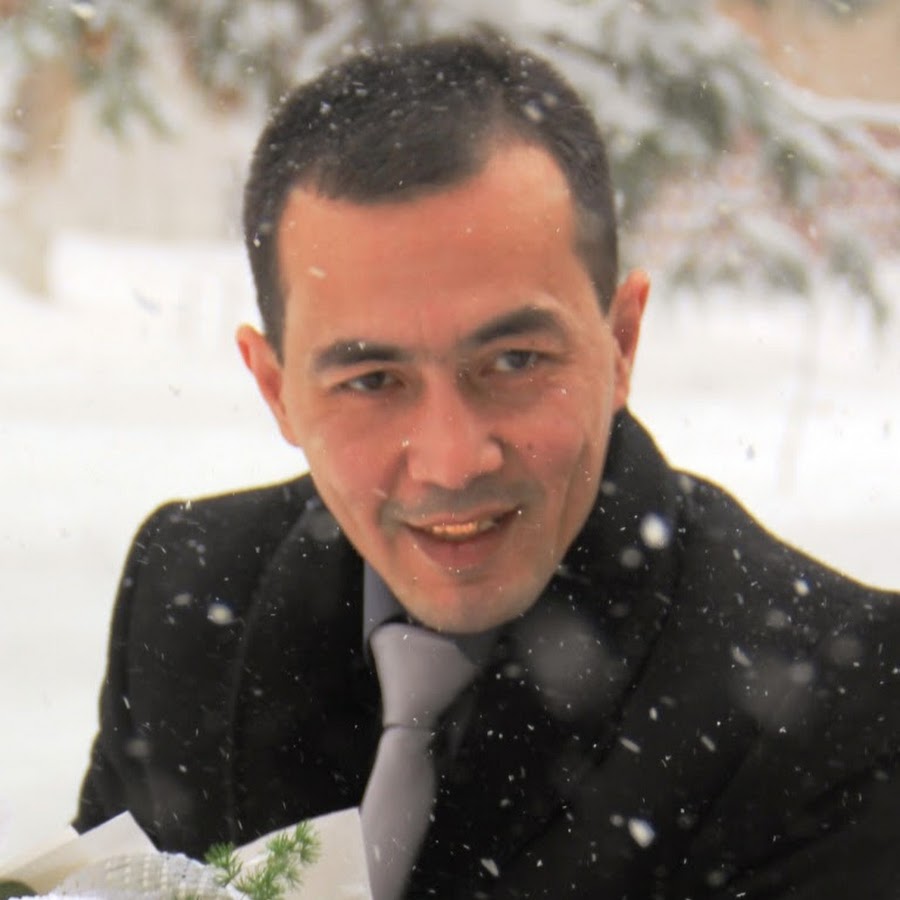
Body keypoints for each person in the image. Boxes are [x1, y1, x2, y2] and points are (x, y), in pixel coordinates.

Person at [74, 35, 899, 899]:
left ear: (621, 342)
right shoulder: (193, 594)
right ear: (276, 389)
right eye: (372, 380)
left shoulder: (839, 702)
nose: (452, 459)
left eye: (513, 362)